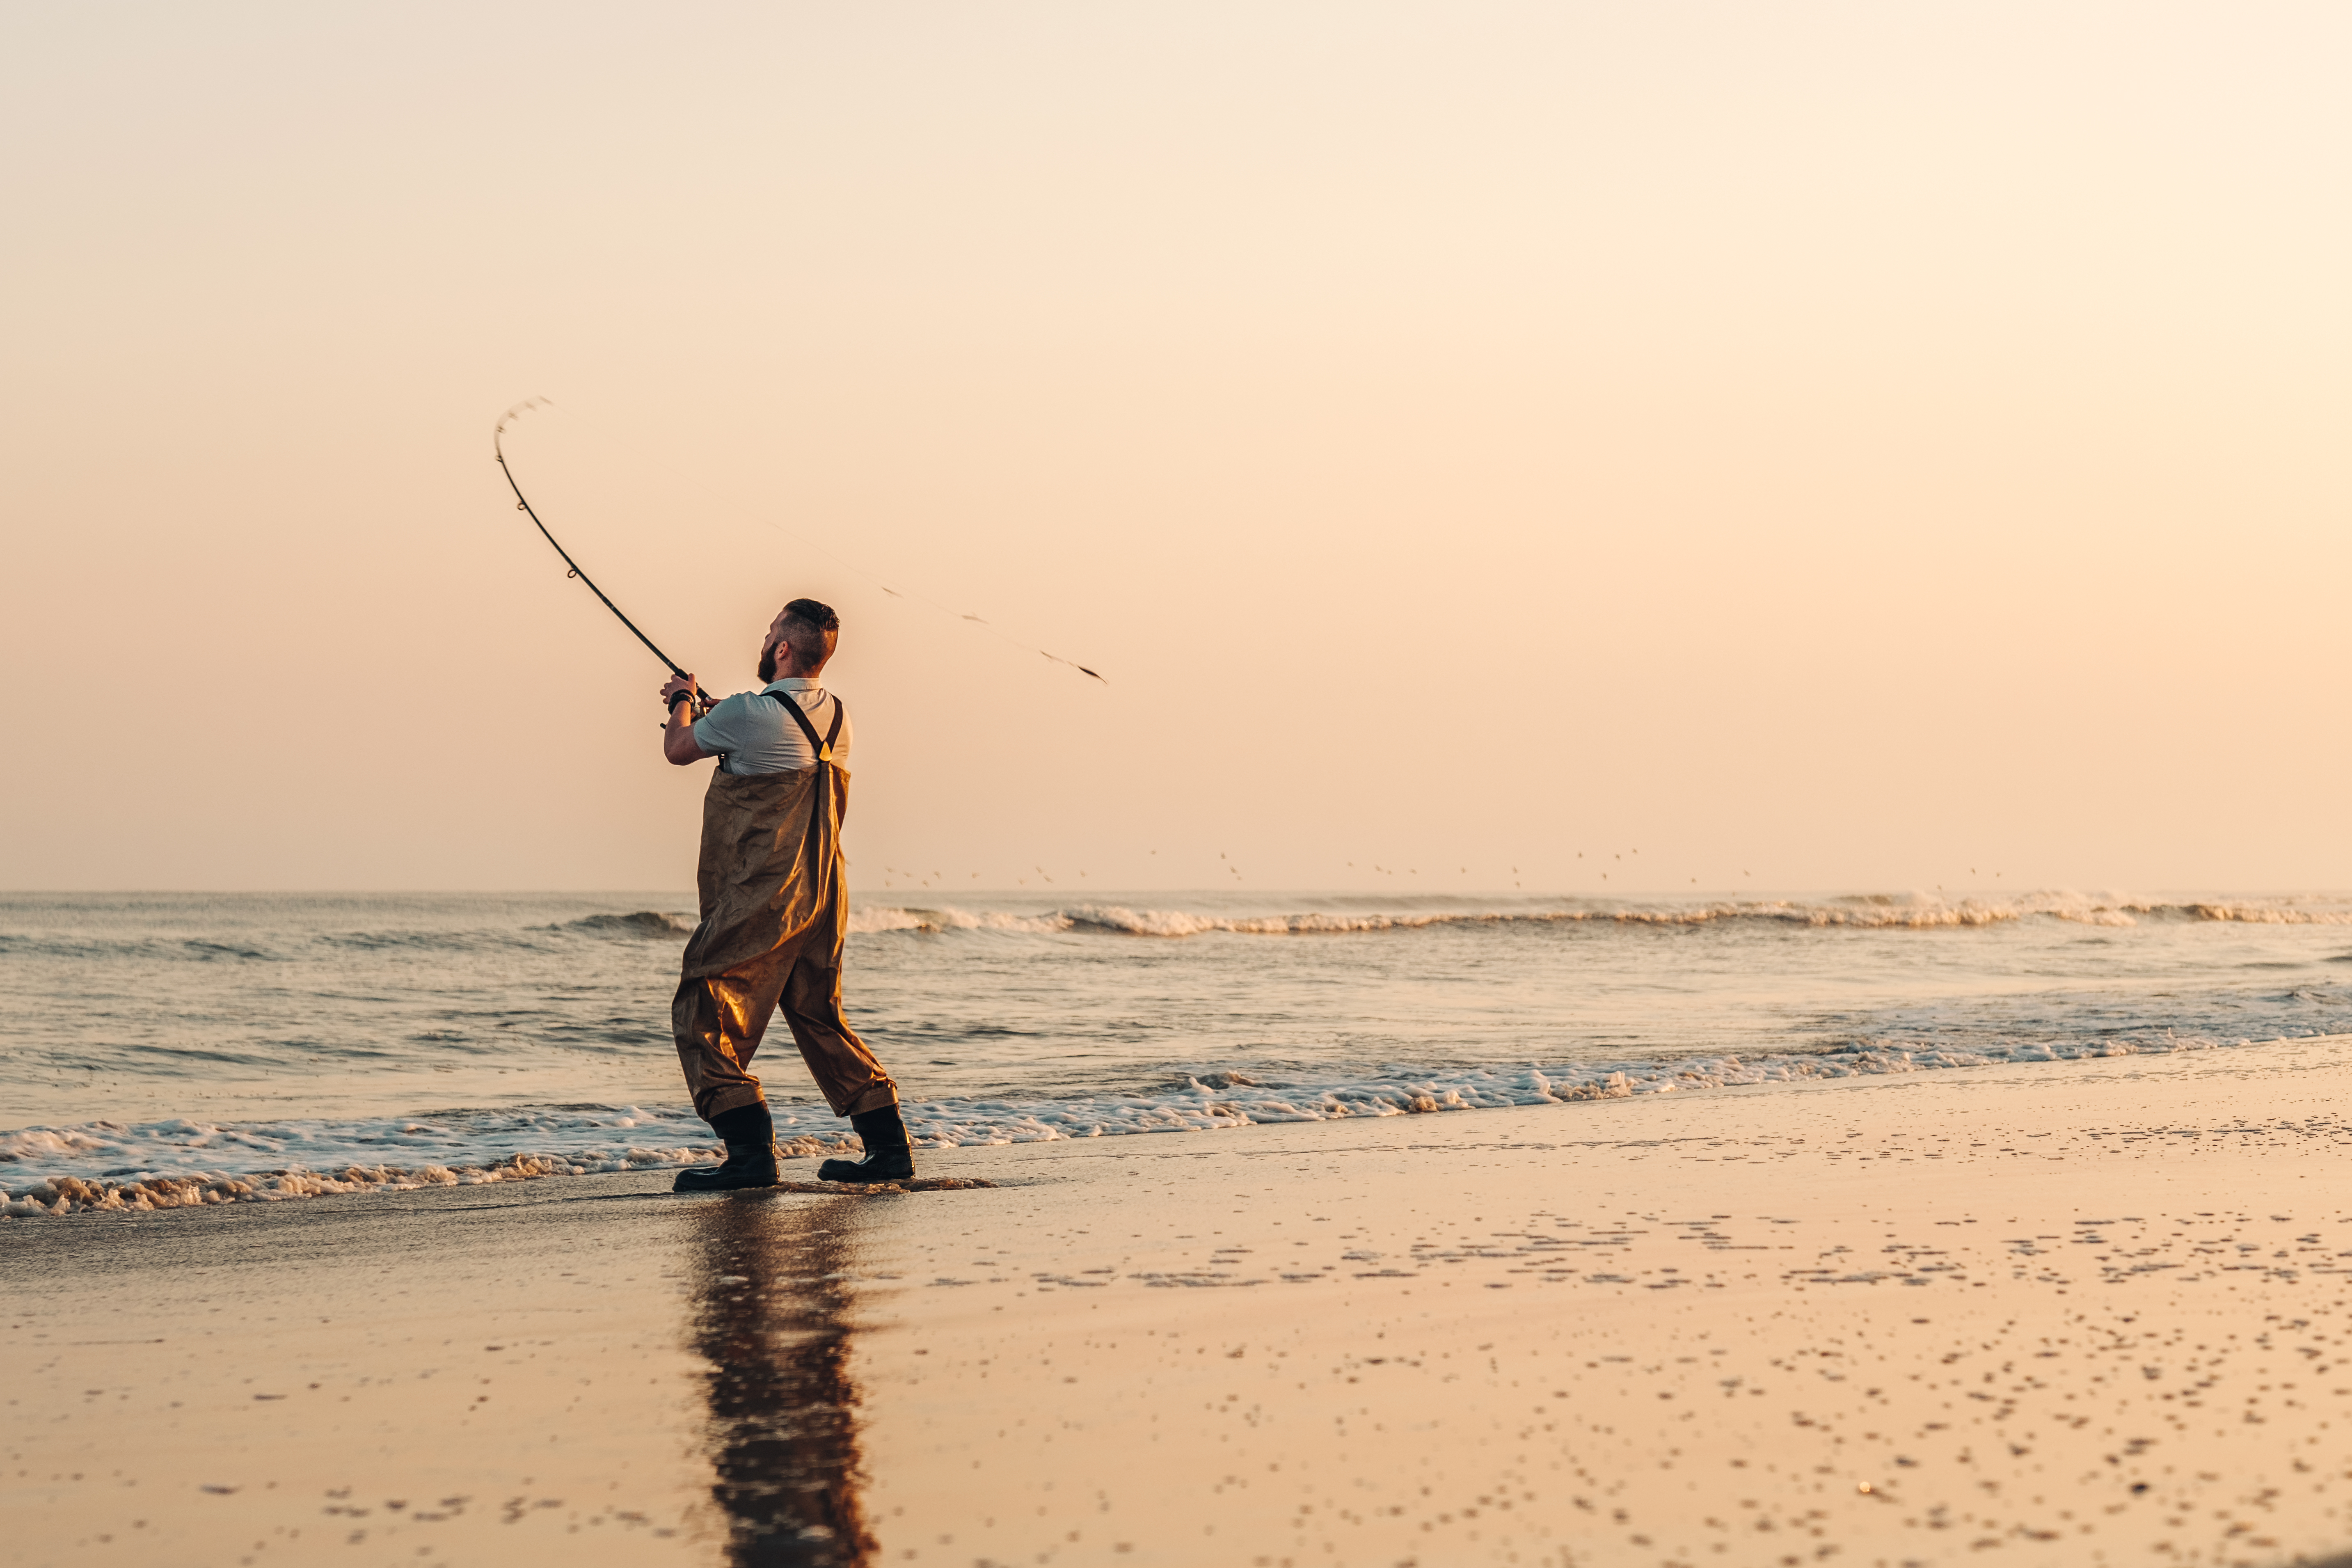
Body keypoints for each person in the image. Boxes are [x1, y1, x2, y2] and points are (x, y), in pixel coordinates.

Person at [656, 597, 914, 1192]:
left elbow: (678, 748)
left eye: (771, 629)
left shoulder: (750, 712)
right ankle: (889, 1149)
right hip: (826, 890)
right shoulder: (838, 716)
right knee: (817, 1010)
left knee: (702, 1000)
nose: (765, 635)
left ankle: (749, 1153)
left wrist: (681, 701)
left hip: (766, 890)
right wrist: (717, 714)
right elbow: (769, 739)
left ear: (781, 648)